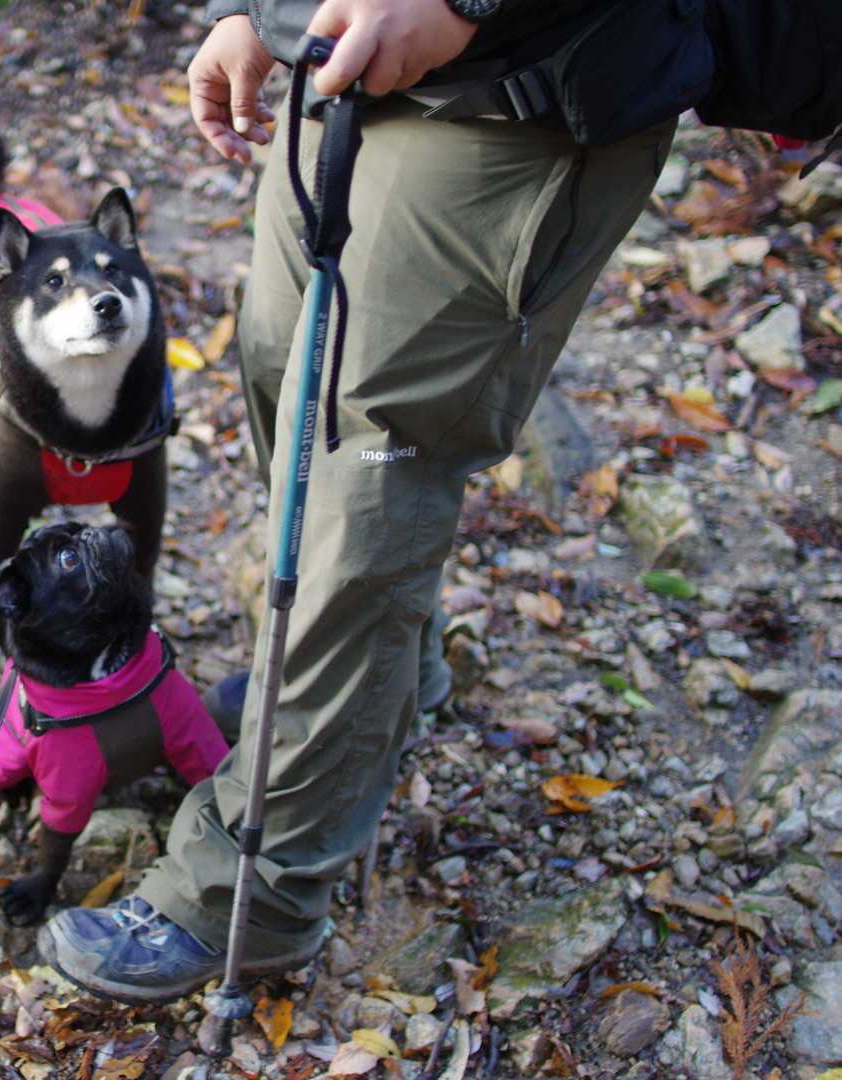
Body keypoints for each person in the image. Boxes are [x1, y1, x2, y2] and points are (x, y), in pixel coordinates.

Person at [39, 0, 677, 1001]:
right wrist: (255, 12)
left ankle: (251, 894)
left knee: (360, 469)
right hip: (330, 63)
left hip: (515, 86)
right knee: (282, 384)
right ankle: (369, 692)